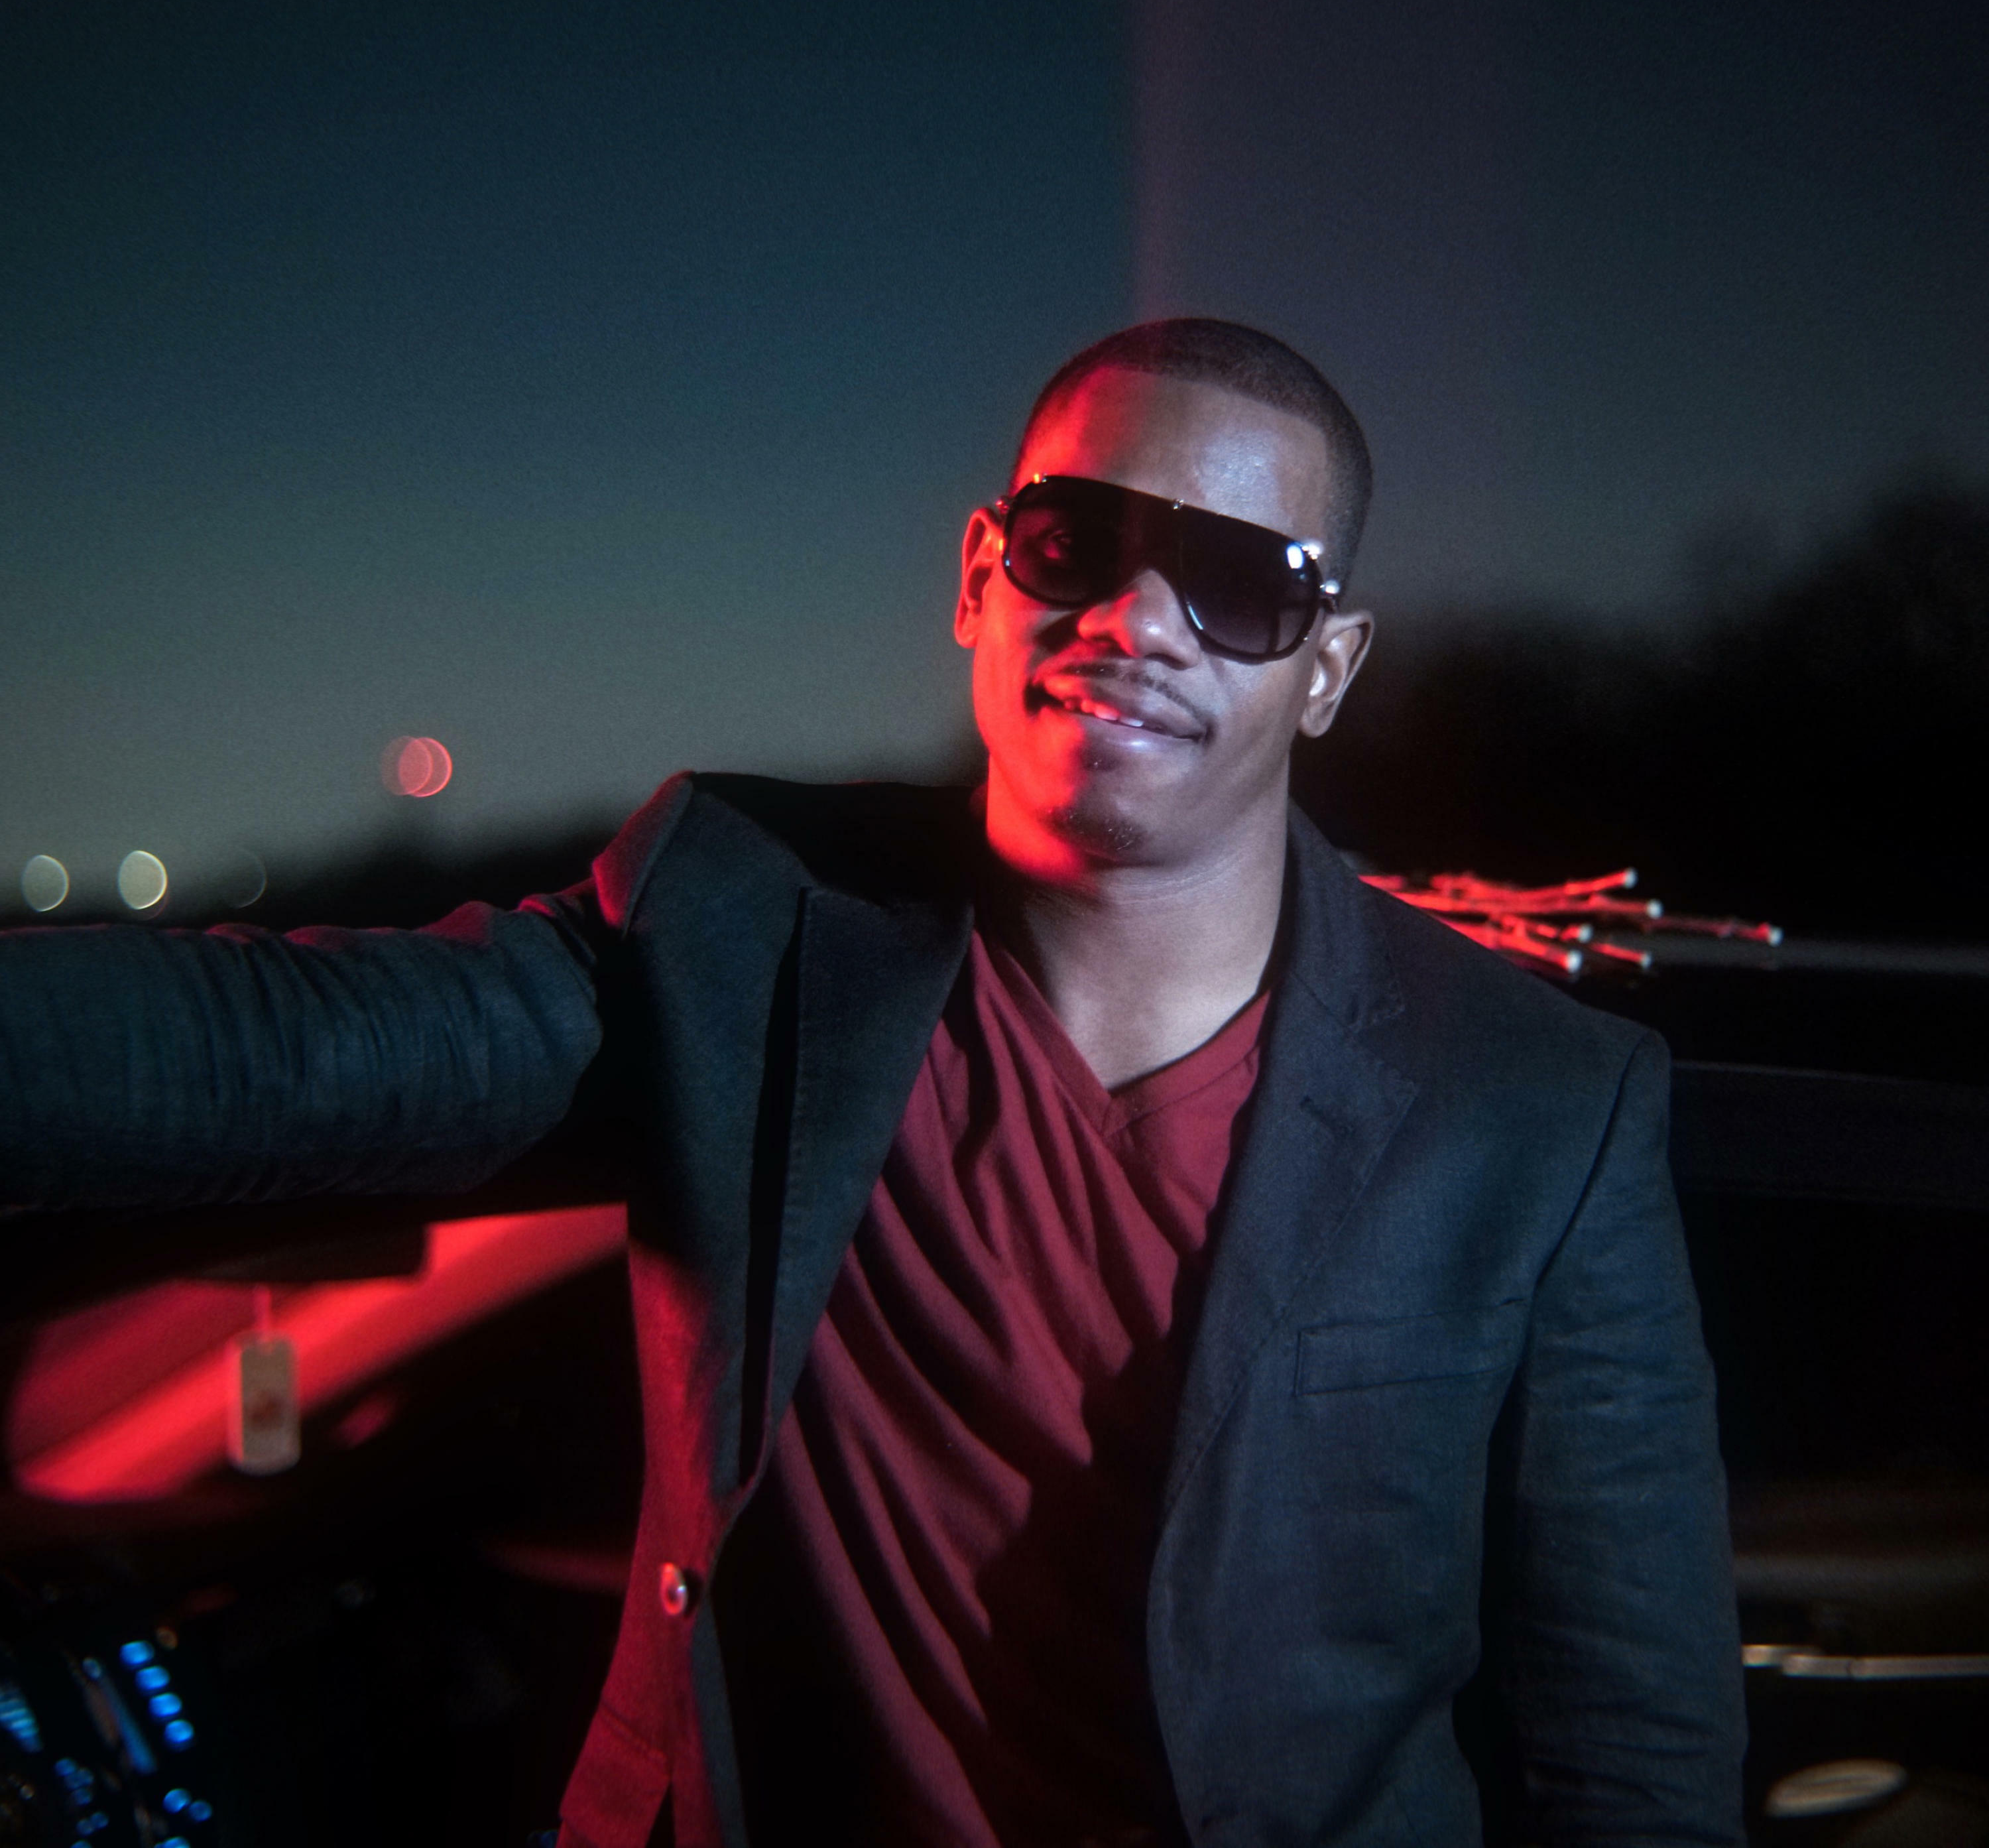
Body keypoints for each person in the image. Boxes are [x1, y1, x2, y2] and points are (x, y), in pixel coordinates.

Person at [0, 320, 1744, 1846]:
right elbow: (284, 1049)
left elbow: (1631, 1737)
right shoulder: (742, 926)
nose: (1137, 618)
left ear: (1329, 669)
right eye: (1078, 541)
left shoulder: (1536, 1103)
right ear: (983, 575)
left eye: (1238, 584)